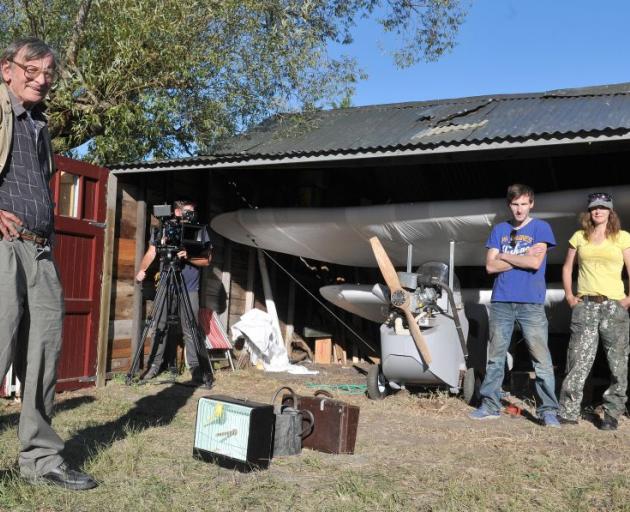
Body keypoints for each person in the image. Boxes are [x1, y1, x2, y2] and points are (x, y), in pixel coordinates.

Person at [0, 38, 97, 490]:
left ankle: (41, 460)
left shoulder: (39, 124)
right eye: (31, 70)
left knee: (44, 356)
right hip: (4, 247)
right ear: (7, 70)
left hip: (41, 251)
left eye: (48, 74)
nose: (41, 80)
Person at [469, 184, 560, 427]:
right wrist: (522, 257)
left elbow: (534, 262)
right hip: (502, 300)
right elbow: (490, 267)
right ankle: (489, 405)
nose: (519, 209)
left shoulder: (541, 228)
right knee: (496, 356)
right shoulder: (499, 229)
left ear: (531, 204)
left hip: (531, 301)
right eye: (515, 204)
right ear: (509, 205)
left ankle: (548, 410)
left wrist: (505, 255)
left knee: (541, 358)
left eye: (523, 204)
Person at [558, 192, 630, 430]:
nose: (597, 211)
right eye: (593, 208)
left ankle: (611, 413)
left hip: (613, 306)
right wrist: (570, 296)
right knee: (578, 360)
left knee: (617, 362)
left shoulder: (622, 237)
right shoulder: (579, 236)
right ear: (588, 212)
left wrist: (628, 299)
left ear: (611, 212)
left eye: (602, 208)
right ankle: (569, 411)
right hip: (585, 305)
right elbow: (568, 268)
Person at [135, 200, 212, 382]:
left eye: (193, 212)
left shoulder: (199, 230)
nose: (190, 216)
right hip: (166, 285)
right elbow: (151, 252)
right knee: (158, 326)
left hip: (189, 288)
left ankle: (196, 370)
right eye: (187, 212)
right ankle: (153, 366)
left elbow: (207, 260)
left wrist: (189, 256)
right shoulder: (165, 228)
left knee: (190, 329)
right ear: (177, 212)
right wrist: (142, 269)